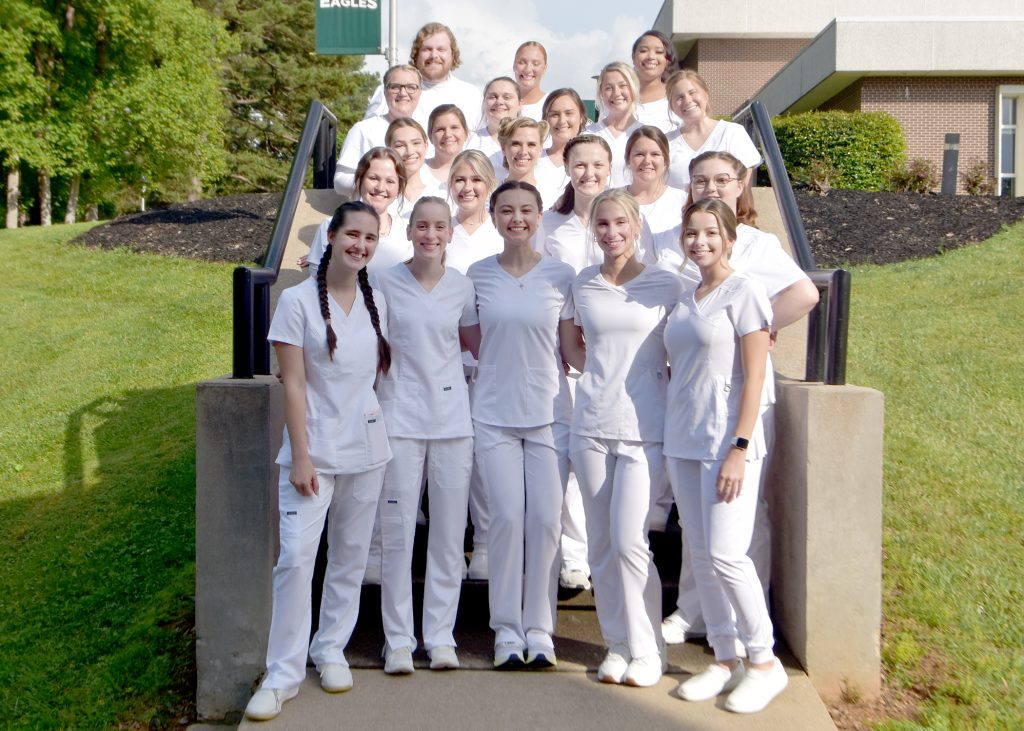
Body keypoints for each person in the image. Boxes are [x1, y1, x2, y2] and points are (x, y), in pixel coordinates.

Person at [659, 150, 819, 647]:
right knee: (701, 530)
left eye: (722, 179)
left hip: (739, 406)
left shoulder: (755, 247)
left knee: (738, 526)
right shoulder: (680, 245)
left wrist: (759, 327)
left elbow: (806, 294)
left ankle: (754, 628)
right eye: (700, 179)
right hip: (689, 403)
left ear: (741, 183)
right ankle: (697, 612)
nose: (711, 187)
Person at [245, 201, 392, 721]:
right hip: (313, 454)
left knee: (350, 556)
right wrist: (301, 456)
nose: (360, 245)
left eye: (370, 239)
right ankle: (281, 673)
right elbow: (295, 384)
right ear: (330, 235)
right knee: (295, 561)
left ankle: (330, 648)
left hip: (367, 451)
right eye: (352, 234)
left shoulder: (378, 302)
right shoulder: (297, 301)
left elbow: (372, 381)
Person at [664, 199, 788, 714]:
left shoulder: (745, 292)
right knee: (701, 553)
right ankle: (723, 658)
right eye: (691, 233)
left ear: (731, 237)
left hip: (726, 445)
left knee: (728, 555)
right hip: (684, 441)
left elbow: (755, 378)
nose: (700, 242)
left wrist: (739, 446)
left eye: (710, 233)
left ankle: (764, 662)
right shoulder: (687, 295)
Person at [559, 189, 683, 688]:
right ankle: (616, 644)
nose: (611, 233)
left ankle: (647, 646)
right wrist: (604, 379)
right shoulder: (583, 284)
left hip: (643, 432)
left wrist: (646, 383)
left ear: (636, 226)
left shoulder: (666, 286)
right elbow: (571, 345)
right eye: (602, 225)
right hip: (589, 426)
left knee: (632, 543)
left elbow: (688, 344)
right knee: (601, 545)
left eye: (620, 223)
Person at [468, 181, 575, 669]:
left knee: (547, 522)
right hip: (493, 416)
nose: (517, 218)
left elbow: (573, 347)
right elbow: (471, 341)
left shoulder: (562, 275)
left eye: (526, 210)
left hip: (550, 417)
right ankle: (507, 631)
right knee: (507, 520)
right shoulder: (476, 276)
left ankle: (540, 630)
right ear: (493, 217)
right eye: (506, 210)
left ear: (538, 217)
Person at [374, 197, 481, 674]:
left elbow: (479, 347)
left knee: (448, 534)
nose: (430, 234)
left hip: (453, 421)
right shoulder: (385, 283)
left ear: (450, 233)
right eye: (422, 226)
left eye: (439, 226)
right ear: (410, 231)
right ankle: (397, 640)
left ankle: (440, 636)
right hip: (400, 419)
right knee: (397, 534)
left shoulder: (463, 287)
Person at [538, 134, 613, 593]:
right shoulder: (550, 224)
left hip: (614, 356)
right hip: (564, 355)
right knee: (568, 460)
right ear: (567, 168)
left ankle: (606, 553)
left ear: (610, 166)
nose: (588, 173)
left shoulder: (623, 219)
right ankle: (574, 556)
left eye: (597, 164)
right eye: (579, 165)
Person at [444, 150, 503, 580]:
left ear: (489, 185)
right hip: (443, 361)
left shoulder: (502, 233)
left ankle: (484, 544)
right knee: (450, 458)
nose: (467, 188)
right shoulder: (439, 231)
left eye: (476, 180)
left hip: (490, 362)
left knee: (483, 458)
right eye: (460, 180)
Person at [306, 148, 409, 277]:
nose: (380, 188)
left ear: (399, 186)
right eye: (373, 178)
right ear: (360, 180)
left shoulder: (408, 232)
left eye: (390, 181)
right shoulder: (330, 225)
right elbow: (317, 276)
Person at [364, 22, 482, 129]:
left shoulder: (472, 95)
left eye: (441, 49)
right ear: (416, 54)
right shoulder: (391, 91)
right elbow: (371, 133)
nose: (434, 55)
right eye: (427, 49)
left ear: (453, 54)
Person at [665, 70, 761, 190]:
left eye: (692, 92)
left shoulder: (732, 133)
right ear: (672, 106)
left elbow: (744, 192)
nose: (687, 100)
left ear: (706, 94)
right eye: (679, 97)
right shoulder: (665, 143)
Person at [335, 65, 422, 196]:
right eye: (395, 87)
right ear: (385, 91)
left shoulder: (426, 130)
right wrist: (378, 184)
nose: (403, 93)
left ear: (420, 91)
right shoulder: (363, 129)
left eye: (411, 87)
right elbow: (340, 181)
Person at [624, 125, 686, 267]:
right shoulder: (613, 201)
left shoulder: (683, 201)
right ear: (628, 159)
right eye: (639, 154)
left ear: (665, 160)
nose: (647, 161)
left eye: (655, 154)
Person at [586, 62, 643, 188]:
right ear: (601, 92)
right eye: (609, 88)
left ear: (634, 88)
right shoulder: (588, 135)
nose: (617, 93)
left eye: (623, 86)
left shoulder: (647, 135)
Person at [536, 88, 586, 203]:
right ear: (545, 120)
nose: (562, 121)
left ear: (581, 117)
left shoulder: (594, 161)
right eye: (555, 115)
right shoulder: (533, 160)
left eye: (569, 113)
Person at [466, 77, 523, 175]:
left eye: (507, 97)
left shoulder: (532, 140)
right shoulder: (468, 141)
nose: (499, 102)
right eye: (493, 97)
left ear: (520, 104)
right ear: (484, 103)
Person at [497, 117, 555, 206]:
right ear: (503, 148)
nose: (523, 152)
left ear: (540, 149)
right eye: (516, 144)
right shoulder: (489, 194)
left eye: (531, 144)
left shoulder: (553, 196)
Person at [386, 118, 442, 211]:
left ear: (426, 145)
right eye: (400, 145)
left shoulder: (440, 193)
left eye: (416, 143)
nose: (409, 152)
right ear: (389, 150)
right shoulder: (381, 195)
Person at [631, 31, 679, 133]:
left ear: (668, 60)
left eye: (659, 52)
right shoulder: (617, 97)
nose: (651, 57)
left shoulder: (677, 97)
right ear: (633, 57)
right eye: (643, 51)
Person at [424, 104, 469, 194]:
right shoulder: (419, 170)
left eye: (454, 127)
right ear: (430, 136)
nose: (448, 134)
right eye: (440, 129)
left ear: (466, 132)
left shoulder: (478, 171)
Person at [514, 41, 549, 120]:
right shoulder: (499, 104)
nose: (528, 69)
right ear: (514, 65)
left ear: (545, 68)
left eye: (535, 64)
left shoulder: (552, 104)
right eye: (522, 62)